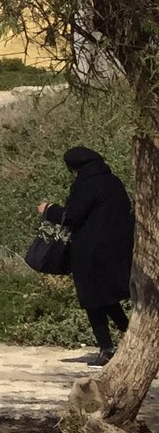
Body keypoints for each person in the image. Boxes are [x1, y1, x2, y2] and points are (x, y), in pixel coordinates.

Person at [41, 146, 135, 364]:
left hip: (89, 251)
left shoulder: (86, 184)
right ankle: (130, 334)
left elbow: (72, 216)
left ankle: (106, 347)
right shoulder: (114, 181)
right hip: (118, 250)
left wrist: (50, 209)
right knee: (107, 296)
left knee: (91, 298)